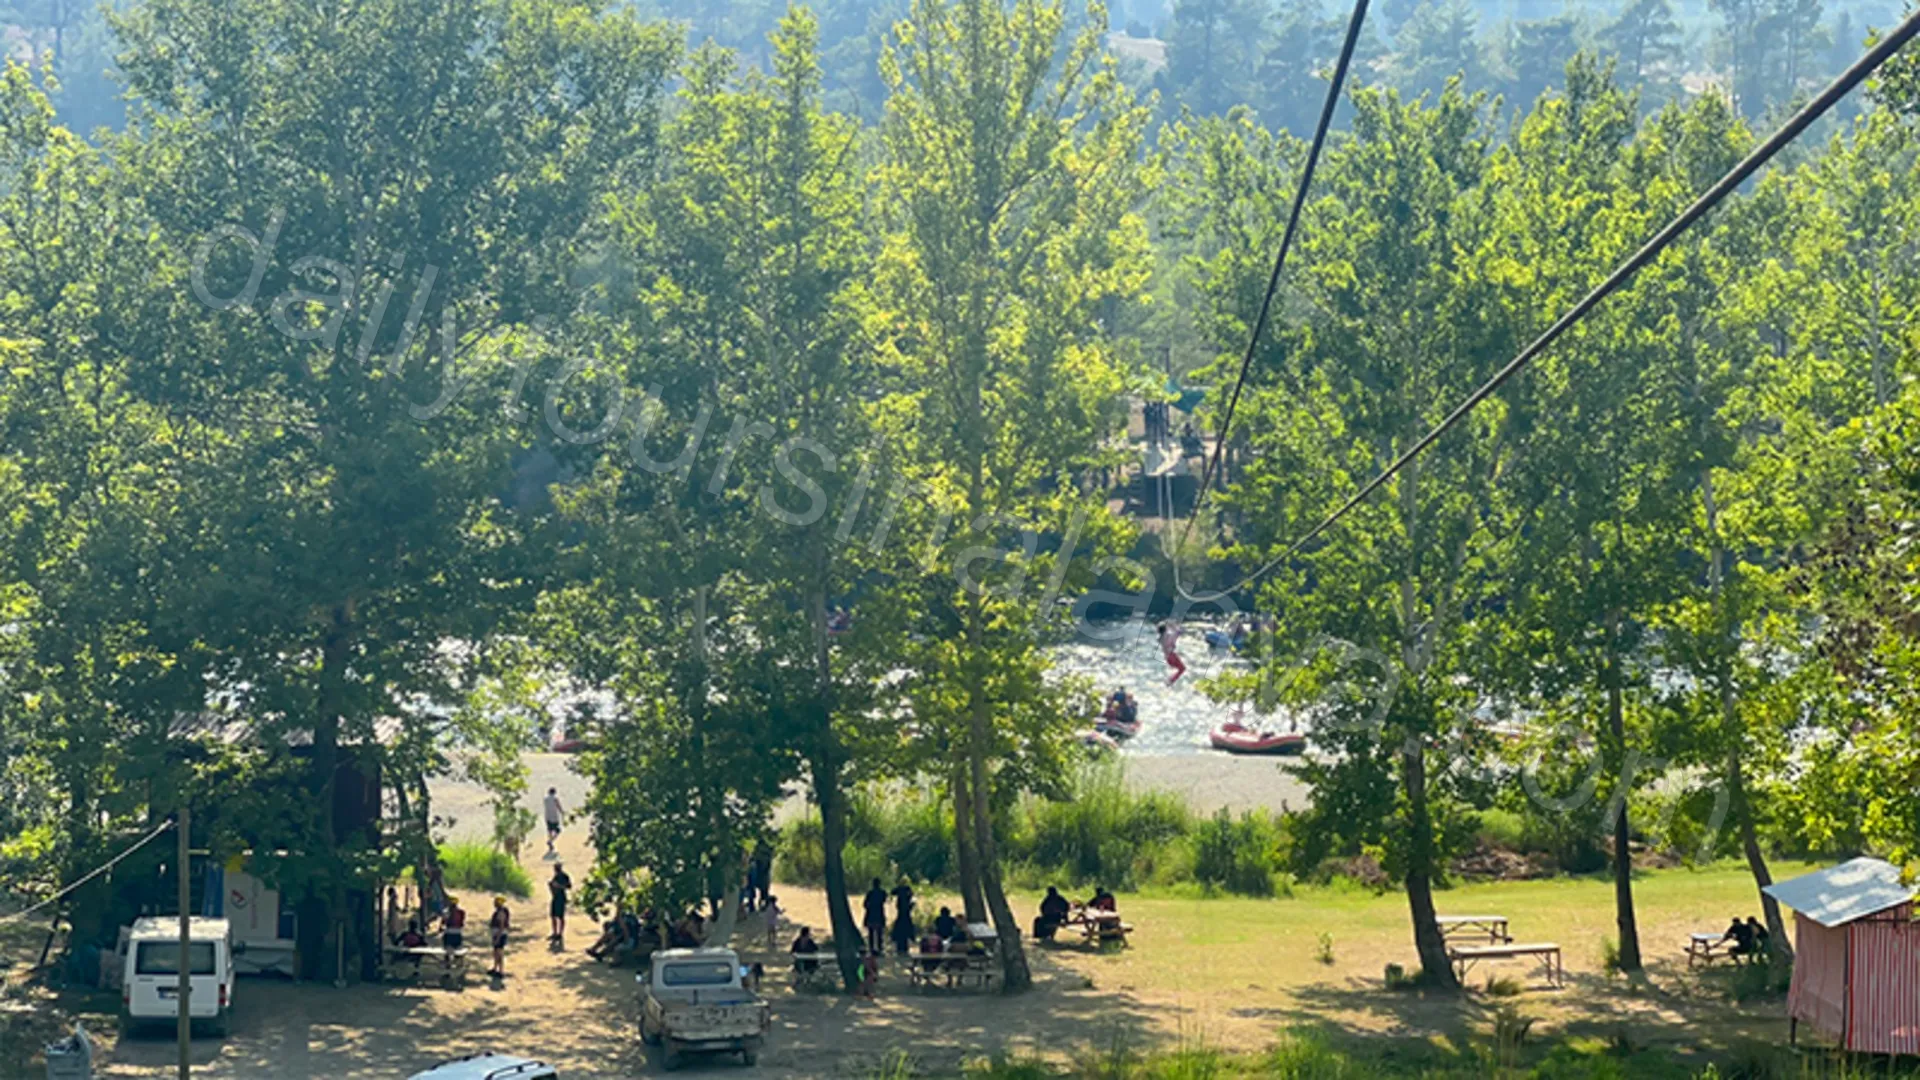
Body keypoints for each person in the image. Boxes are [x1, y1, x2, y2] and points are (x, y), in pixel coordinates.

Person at [862, 878, 888, 953]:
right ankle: (880, 948)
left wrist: (870, 907)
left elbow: (864, 904)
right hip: (879, 914)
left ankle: (871, 948)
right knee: (879, 932)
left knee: (871, 933)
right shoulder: (882, 893)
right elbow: (885, 900)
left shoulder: (870, 893)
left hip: (871, 914)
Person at [487, 896, 511, 977]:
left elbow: (501, 926)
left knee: (499, 953)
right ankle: (495, 968)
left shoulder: (501, 913)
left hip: (500, 935)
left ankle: (501, 971)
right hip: (497, 934)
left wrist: (497, 937)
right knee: (496, 953)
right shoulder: (500, 911)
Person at [548, 864, 572, 944]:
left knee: (561, 917)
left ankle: (560, 933)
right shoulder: (556, 876)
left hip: (561, 898)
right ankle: (555, 932)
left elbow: (569, 886)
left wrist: (559, 886)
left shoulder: (564, 876)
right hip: (555, 897)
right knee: (553, 916)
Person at [441, 897, 467, 969]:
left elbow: (443, 923)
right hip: (458, 933)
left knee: (447, 951)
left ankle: (447, 965)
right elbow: (462, 923)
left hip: (448, 933)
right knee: (458, 950)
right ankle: (458, 965)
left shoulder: (446, 912)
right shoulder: (461, 912)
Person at [543, 787, 565, 855]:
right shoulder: (555, 798)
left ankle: (550, 844)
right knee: (558, 831)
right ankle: (551, 841)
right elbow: (558, 806)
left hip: (547, 816)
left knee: (550, 831)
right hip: (554, 817)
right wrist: (562, 812)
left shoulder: (545, 799)